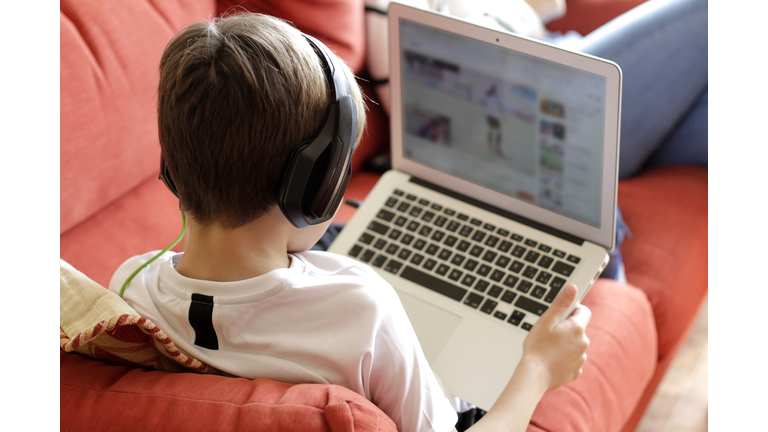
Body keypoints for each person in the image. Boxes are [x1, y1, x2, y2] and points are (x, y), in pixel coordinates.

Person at [109, 13, 591, 432]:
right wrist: (539, 369)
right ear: (316, 186)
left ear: (172, 165)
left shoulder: (131, 289)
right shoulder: (360, 308)